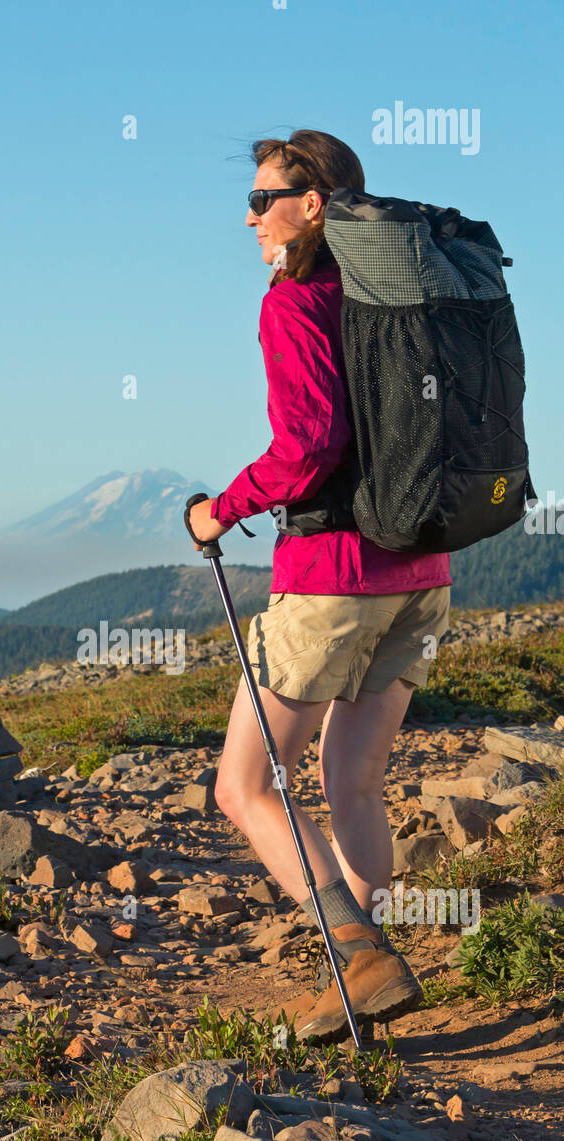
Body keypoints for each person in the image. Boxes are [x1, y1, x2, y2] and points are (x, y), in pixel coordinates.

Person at [187, 129, 451, 1043]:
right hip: (421, 569)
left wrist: (221, 509)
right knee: (356, 782)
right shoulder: (400, 297)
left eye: (264, 199)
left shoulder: (297, 302)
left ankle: (358, 952)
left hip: (334, 573)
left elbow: (307, 450)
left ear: (315, 205)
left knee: (244, 786)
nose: (250, 216)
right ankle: (367, 985)